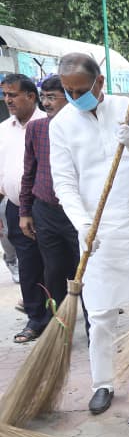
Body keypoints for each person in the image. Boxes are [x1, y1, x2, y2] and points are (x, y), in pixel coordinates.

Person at [50, 53, 129, 415]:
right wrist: (83, 224)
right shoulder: (60, 125)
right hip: (97, 231)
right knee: (101, 311)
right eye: (68, 91)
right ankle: (102, 383)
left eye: (81, 89)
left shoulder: (127, 108)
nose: (75, 97)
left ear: (99, 83)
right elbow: (64, 182)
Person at [19, 76, 80, 317]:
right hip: (45, 211)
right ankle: (58, 326)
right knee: (53, 271)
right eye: (43, 97)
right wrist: (24, 212)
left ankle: (92, 327)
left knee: (84, 270)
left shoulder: (83, 127)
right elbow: (29, 172)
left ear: (70, 98)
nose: (46, 103)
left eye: (52, 97)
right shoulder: (36, 128)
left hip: (77, 213)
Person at [0, 73, 47, 343]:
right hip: (16, 208)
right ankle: (35, 319)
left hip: (48, 208)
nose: (8, 100)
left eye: (13, 94)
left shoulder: (49, 125)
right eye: (5, 95)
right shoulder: (4, 130)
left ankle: (61, 314)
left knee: (57, 265)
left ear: (31, 96)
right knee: (28, 265)